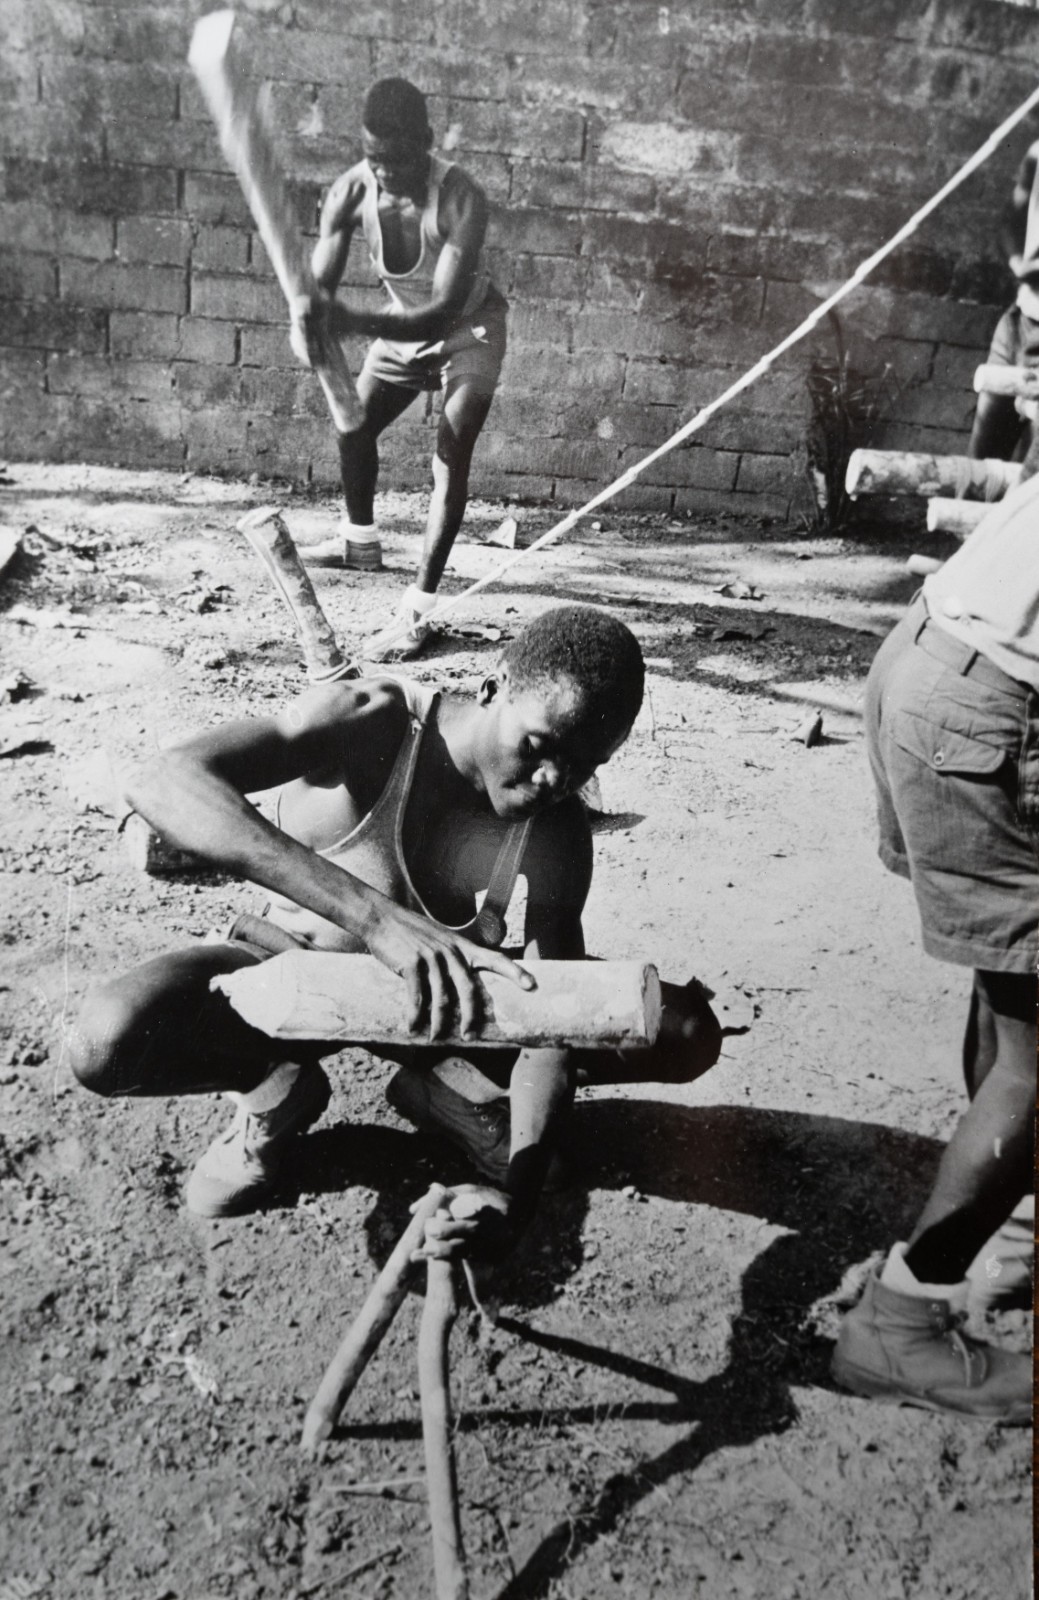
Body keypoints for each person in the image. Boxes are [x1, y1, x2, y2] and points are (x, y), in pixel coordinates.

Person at [67, 606, 722, 1263]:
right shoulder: (373, 721)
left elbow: (553, 1024)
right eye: (540, 745)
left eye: (584, 764)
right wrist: (375, 920)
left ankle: (454, 1088)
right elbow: (162, 779)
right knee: (107, 1043)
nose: (554, 780)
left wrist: (516, 1206)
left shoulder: (555, 830)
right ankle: (275, 1089)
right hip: (289, 976)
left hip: (440, 1010)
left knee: (680, 1028)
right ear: (494, 687)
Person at [831, 448, 1039, 1426]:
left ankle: (1010, 1226)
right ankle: (900, 1324)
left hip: (926, 657)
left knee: (1013, 998)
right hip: (993, 709)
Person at [290, 77, 508, 662]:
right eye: (372, 157)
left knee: (449, 452)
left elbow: (438, 313)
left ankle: (420, 607)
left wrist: (350, 321)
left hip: (466, 328)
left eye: (398, 158)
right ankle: (359, 540)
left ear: (427, 142)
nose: (384, 171)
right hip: (398, 324)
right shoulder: (349, 193)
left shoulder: (461, 198)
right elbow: (318, 289)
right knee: (352, 423)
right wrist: (307, 320)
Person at [968, 138, 1039, 462]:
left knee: (1028, 492)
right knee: (981, 471)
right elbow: (1009, 220)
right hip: (1018, 324)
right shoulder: (1038, 152)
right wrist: (1017, 263)